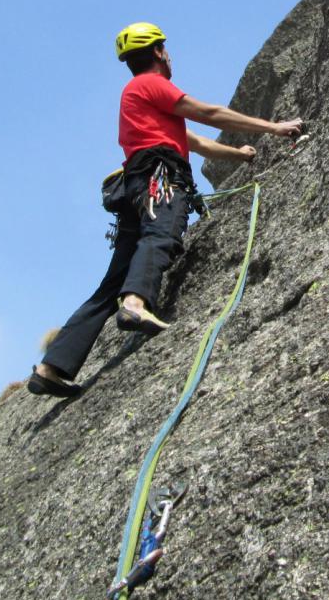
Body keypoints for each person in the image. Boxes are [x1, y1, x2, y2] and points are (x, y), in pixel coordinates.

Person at [27, 22, 303, 398]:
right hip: (159, 177)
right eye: (166, 50)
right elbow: (209, 112)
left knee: (114, 278)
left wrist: (237, 153)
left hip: (135, 185)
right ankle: (137, 303)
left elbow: (197, 141)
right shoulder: (150, 84)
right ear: (158, 51)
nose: (170, 56)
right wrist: (273, 127)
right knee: (163, 233)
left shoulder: (142, 108)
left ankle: (51, 367)